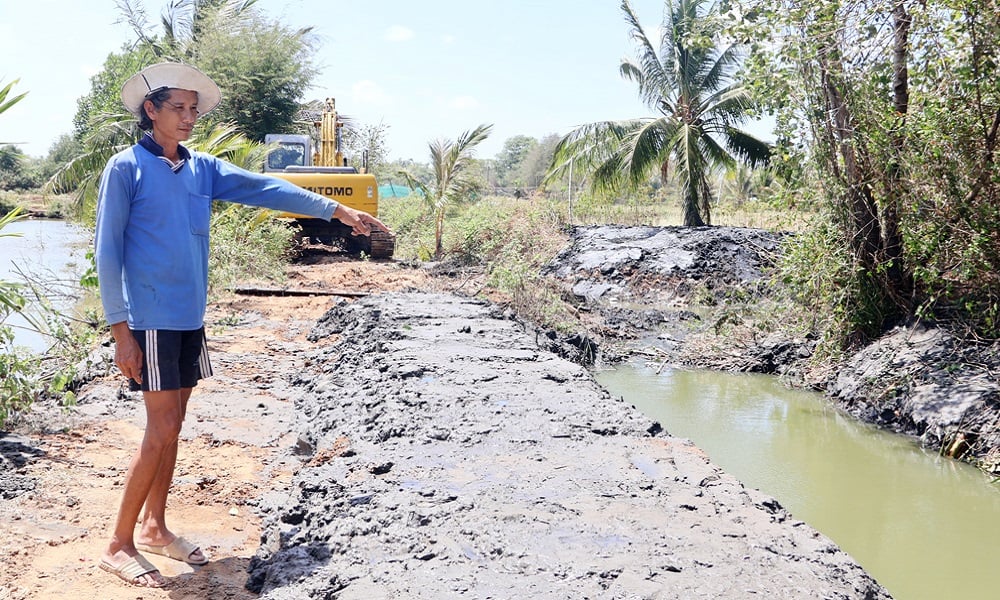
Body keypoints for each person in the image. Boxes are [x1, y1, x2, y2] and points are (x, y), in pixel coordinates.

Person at [94, 62, 388, 587]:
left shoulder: (201, 168)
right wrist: (121, 332)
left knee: (174, 428)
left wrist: (338, 211)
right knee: (160, 429)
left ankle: (156, 528)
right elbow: (107, 251)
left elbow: (268, 188)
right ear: (151, 110)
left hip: (187, 317)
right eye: (179, 108)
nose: (189, 118)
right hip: (150, 320)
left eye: (194, 109)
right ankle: (119, 542)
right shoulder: (126, 169)